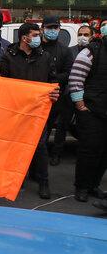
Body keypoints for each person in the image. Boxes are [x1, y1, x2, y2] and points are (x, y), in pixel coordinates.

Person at [0, 23, 61, 199]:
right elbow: (3, 84)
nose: (38, 37)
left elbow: (53, 80)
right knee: (15, 147)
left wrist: (55, 91)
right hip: (15, 111)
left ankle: (43, 182)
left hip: (38, 111)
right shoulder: (8, 58)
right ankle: (16, 181)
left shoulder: (45, 57)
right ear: (24, 37)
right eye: (34, 34)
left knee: (40, 147)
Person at [69, 18, 107, 205]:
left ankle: (93, 185)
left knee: (103, 153)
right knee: (89, 151)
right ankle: (82, 187)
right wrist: (80, 105)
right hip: (92, 111)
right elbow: (76, 78)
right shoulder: (91, 51)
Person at [50, 25, 95, 166]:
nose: (83, 37)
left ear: (92, 36)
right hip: (68, 94)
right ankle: (56, 154)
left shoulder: (95, 52)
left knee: (84, 126)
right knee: (62, 125)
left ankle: (82, 155)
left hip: (86, 96)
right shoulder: (70, 51)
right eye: (81, 34)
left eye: (86, 34)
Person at [40, 16, 73, 166]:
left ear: (59, 29)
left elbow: (68, 72)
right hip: (39, 95)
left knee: (60, 127)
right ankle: (40, 156)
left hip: (59, 95)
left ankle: (56, 154)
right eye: (49, 28)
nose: (52, 31)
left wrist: (52, 80)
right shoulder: (37, 47)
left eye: (55, 28)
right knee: (40, 129)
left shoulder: (64, 51)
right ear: (42, 29)